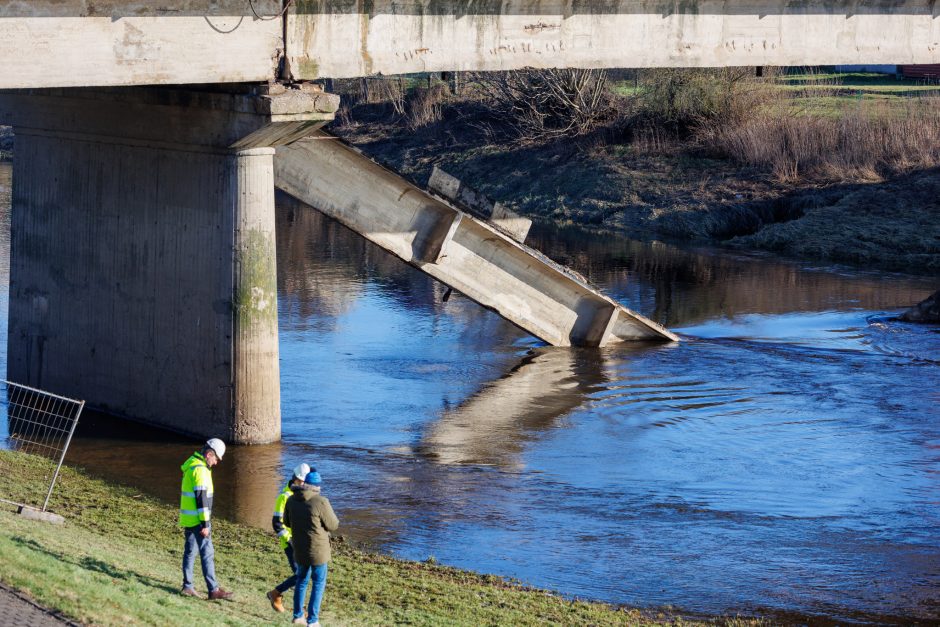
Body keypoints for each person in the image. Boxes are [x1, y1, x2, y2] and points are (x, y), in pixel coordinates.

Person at [179, 438, 234, 600]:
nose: (216, 463)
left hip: (189, 519)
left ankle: (187, 586)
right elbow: (202, 501)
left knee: (190, 552)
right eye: (216, 458)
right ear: (209, 454)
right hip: (198, 521)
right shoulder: (201, 471)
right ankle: (213, 590)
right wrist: (205, 524)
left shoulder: (192, 465)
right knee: (207, 554)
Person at [283, 469, 339, 627]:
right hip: (318, 551)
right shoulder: (321, 502)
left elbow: (286, 522)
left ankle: (297, 615)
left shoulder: (291, 500)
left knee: (301, 581)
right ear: (316, 486)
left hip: (299, 549)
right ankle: (313, 620)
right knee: (318, 583)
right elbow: (333, 525)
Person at [266, 462, 311, 612]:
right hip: (290, 543)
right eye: (304, 481)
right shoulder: (284, 497)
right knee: (301, 575)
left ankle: (277, 594)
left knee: (302, 575)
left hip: (301, 542)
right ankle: (281, 597)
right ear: (297, 479)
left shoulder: (301, 495)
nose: (306, 484)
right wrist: (290, 541)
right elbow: (277, 524)